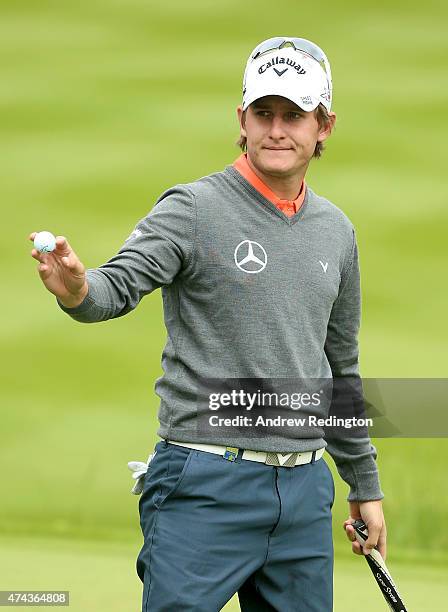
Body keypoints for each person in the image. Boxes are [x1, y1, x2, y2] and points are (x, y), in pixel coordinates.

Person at [29, 36, 386, 612]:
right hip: (205, 481)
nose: (277, 129)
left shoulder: (336, 231)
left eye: (294, 115)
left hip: (303, 493)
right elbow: (114, 288)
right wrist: (78, 288)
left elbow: (338, 368)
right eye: (263, 113)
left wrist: (363, 486)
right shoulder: (194, 207)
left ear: (324, 126)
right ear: (240, 120)